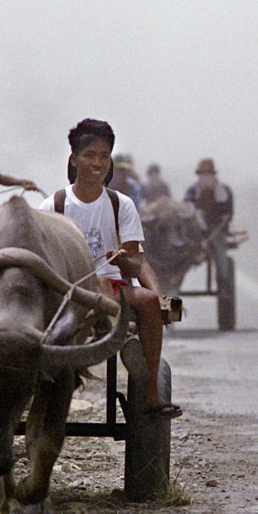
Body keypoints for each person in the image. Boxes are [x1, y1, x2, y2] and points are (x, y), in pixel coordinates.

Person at [40, 119, 180, 419]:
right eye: (90, 155)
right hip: (67, 290)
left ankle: (150, 392)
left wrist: (154, 292)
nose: (98, 163)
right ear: (74, 159)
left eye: (104, 156)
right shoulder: (53, 205)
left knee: (144, 300)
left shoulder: (121, 204)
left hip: (113, 290)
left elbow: (136, 261)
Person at [184, 158, 234, 234]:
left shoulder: (224, 190)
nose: (205, 176)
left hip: (217, 227)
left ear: (213, 174)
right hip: (196, 228)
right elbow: (186, 204)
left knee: (219, 243)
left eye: (208, 173)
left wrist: (226, 216)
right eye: (203, 173)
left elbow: (228, 209)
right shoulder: (193, 190)